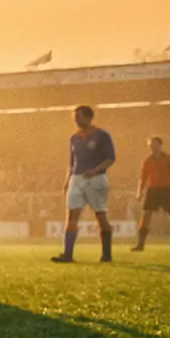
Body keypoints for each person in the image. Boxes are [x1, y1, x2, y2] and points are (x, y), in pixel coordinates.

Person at [52, 105, 116, 263]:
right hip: (77, 178)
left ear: (88, 117)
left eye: (78, 116)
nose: (75, 120)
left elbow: (110, 158)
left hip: (96, 180)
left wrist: (96, 170)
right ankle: (68, 254)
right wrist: (67, 181)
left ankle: (106, 254)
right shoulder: (74, 138)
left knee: (101, 217)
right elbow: (71, 162)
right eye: (74, 117)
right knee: (71, 216)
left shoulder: (102, 136)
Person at [134, 137, 170, 252]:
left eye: (156, 145)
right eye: (151, 146)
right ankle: (140, 244)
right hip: (153, 190)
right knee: (146, 215)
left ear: (160, 146)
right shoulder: (147, 161)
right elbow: (142, 179)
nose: (154, 148)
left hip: (167, 189)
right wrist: (139, 193)